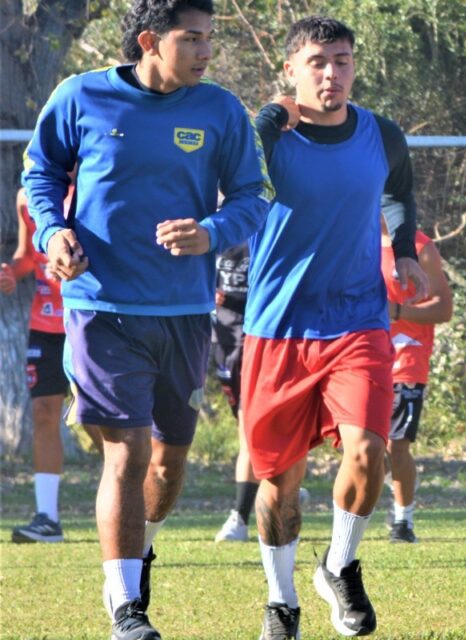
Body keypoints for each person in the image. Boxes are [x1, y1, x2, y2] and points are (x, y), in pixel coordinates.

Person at [20, 0, 269, 636]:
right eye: (193, 39)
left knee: (167, 461)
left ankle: (139, 549)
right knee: (126, 454)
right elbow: (41, 172)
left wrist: (210, 233)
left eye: (211, 38)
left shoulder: (219, 110)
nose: (207, 51)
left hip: (185, 310)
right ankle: (127, 605)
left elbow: (252, 198)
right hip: (101, 306)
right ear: (150, 40)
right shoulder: (81, 96)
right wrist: (53, 234)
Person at [241, 15, 430, 639]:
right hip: (279, 328)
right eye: (318, 61)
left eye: (343, 60)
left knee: (370, 449)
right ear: (291, 71)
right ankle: (282, 600)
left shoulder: (382, 133)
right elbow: (229, 170)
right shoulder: (268, 136)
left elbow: (398, 188)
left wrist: (402, 246)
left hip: (358, 320)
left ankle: (340, 563)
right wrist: (268, 119)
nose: (332, 73)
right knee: (279, 484)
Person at [5, 184, 103, 544]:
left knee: (96, 417)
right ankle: (47, 519)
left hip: (88, 319)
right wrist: (10, 272)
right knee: (45, 412)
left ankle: (128, 484)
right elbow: (27, 256)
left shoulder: (95, 186)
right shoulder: (26, 196)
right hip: (44, 325)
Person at [381, 221, 453, 544]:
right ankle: (385, 484)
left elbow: (444, 307)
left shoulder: (421, 248)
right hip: (362, 357)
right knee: (363, 445)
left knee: (398, 445)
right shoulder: (353, 237)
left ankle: (402, 520)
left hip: (406, 362)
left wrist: (396, 311)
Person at [211, 242, 257, 542]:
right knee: (244, 420)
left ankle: (240, 518)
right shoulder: (209, 226)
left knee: (250, 426)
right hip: (223, 340)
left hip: (259, 333)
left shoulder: (263, 223)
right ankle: (271, 480)